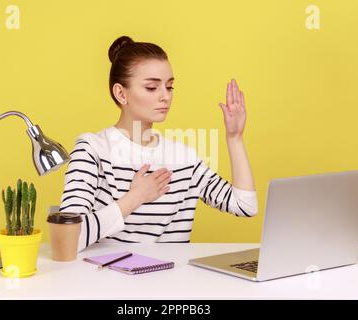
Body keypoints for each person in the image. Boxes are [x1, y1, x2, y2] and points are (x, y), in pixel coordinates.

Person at [59, 36, 258, 252]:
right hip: (109, 282)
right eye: (152, 88)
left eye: (170, 87)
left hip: (171, 282)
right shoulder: (92, 150)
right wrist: (135, 197)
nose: (165, 96)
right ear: (121, 93)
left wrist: (235, 138)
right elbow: (67, 239)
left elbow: (245, 206)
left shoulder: (184, 158)